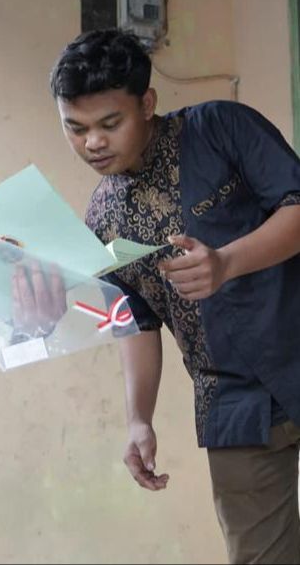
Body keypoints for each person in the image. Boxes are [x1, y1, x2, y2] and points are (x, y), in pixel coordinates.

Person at [49, 28, 300, 564]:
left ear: (147, 102)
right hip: (233, 403)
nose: (93, 142)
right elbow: (135, 320)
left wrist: (227, 261)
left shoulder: (221, 128)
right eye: (76, 128)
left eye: (109, 123)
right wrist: (139, 417)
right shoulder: (101, 221)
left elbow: (297, 206)